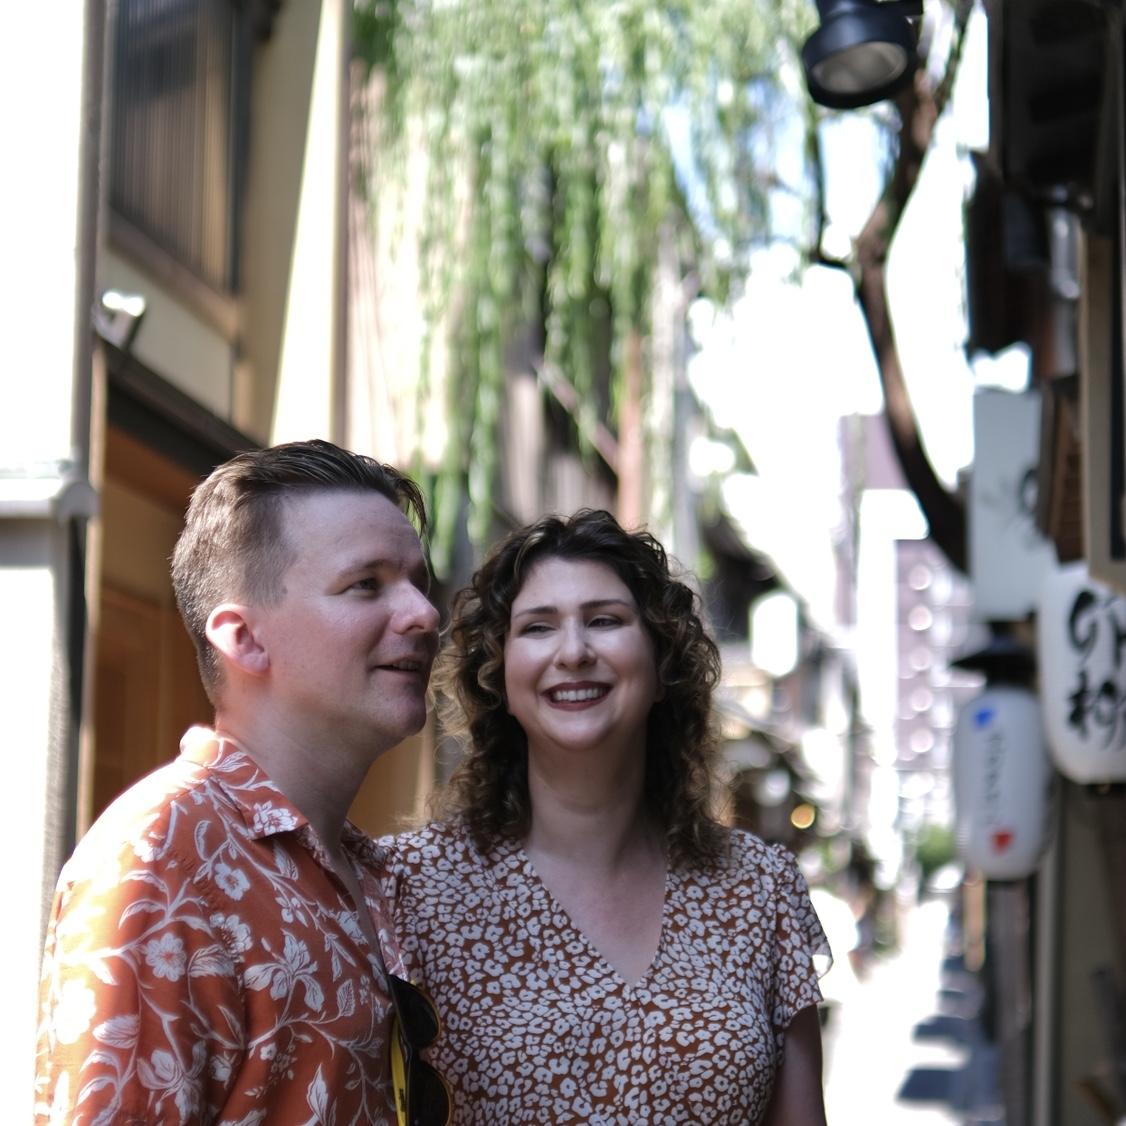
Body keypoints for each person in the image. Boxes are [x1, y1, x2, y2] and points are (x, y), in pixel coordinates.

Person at [34, 439, 442, 1125]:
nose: (424, 614)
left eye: (417, 583)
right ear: (244, 639)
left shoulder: (365, 868)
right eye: (366, 584)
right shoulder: (162, 856)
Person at [387, 509, 831, 1125]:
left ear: (661, 664)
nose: (573, 652)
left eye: (604, 620)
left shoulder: (761, 888)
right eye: (538, 627)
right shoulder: (408, 888)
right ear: (499, 675)